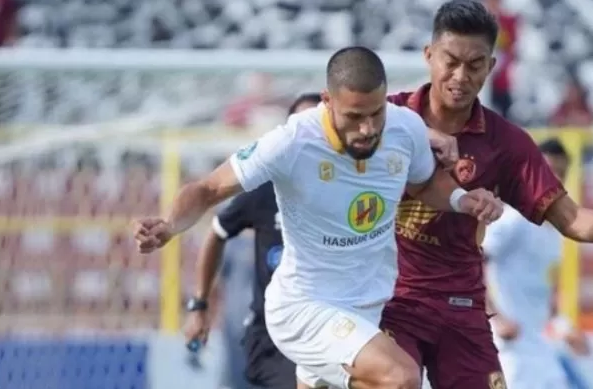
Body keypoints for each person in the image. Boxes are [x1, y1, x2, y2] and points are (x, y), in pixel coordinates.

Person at [133, 46, 503, 389]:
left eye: (376, 113)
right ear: (328, 101)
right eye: (355, 117)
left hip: (367, 307)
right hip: (305, 308)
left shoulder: (404, 128)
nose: (368, 129)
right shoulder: (292, 141)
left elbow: (424, 183)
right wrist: (169, 225)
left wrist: (462, 200)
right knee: (401, 377)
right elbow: (210, 188)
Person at [383, 0, 593, 389]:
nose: (461, 76)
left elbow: (570, 217)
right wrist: (420, 134)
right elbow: (329, 126)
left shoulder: (506, 143)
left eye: (475, 65)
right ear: (429, 55)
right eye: (450, 61)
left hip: (461, 306)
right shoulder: (387, 118)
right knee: (394, 381)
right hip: (388, 297)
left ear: (491, 66)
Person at [184, 93, 321, 389]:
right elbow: (217, 233)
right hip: (271, 337)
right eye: (302, 127)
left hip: (329, 329)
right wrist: (199, 305)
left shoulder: (350, 189)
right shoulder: (265, 190)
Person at [483, 138, 590, 389]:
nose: (555, 179)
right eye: (549, 171)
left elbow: (545, 293)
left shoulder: (554, 232)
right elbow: (471, 263)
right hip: (508, 346)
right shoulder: (513, 221)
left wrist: (564, 328)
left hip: (538, 345)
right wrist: (496, 318)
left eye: (560, 173)